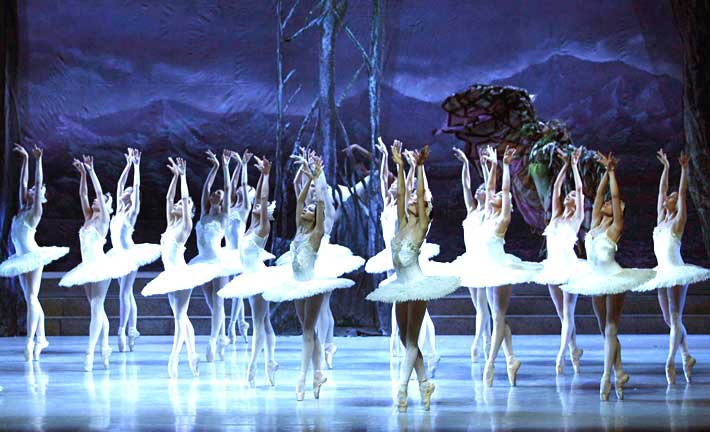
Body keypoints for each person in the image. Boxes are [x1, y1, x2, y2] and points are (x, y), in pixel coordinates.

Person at [366, 143, 460, 412]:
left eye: (414, 202)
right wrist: (398, 165)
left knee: (411, 342)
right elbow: (402, 193)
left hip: (417, 286)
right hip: (401, 286)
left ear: (423, 208)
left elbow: (417, 194)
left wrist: (418, 167)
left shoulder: (420, 226)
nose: (408, 201)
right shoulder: (403, 223)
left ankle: (402, 389)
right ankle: (425, 383)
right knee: (405, 339)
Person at [562, 152, 653, 401]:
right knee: (605, 331)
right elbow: (600, 195)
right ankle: (620, 371)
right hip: (595, 279)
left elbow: (612, 195)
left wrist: (612, 173)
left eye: (613, 204)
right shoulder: (594, 226)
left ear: (619, 210)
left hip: (614, 278)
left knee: (611, 328)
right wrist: (605, 172)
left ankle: (607, 377)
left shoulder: (615, 228)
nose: (607, 204)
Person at [263, 155, 355, 400]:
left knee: (307, 331)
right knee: (308, 331)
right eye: (305, 208)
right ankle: (318, 373)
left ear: (315, 217)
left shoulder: (316, 233)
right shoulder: (299, 231)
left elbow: (320, 205)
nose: (305, 209)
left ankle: (301, 377)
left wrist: (317, 179)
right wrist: (306, 179)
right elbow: (300, 201)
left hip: (311, 285)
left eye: (310, 210)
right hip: (296, 285)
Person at [277, 147, 364, 369]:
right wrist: (305, 167)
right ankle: (323, 346)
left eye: (318, 194)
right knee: (319, 309)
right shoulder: (305, 217)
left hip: (324, 257)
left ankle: (326, 347)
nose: (314, 197)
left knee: (324, 305)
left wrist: (318, 173)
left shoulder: (326, 215)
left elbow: (322, 192)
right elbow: (298, 187)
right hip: (305, 257)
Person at [634, 150, 709, 384]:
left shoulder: (678, 221)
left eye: (672, 197)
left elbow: (683, 193)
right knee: (668, 319)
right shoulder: (661, 220)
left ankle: (670, 361)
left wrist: (684, 170)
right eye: (669, 196)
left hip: (676, 272)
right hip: (661, 272)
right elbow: (661, 191)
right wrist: (666, 168)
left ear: (676, 204)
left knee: (675, 318)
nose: (668, 197)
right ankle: (687, 356)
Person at [365, 138, 440, 365]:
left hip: (409, 255)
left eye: (395, 185)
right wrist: (384, 157)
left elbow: (407, 190)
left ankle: (426, 347)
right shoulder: (388, 205)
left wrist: (412, 167)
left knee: (416, 305)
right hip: (391, 255)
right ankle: (397, 343)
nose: (391, 186)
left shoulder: (408, 208)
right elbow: (382, 179)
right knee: (396, 298)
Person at [472, 146, 541, 388]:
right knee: (497, 317)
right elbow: (491, 187)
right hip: (487, 269)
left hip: (501, 269)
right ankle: (511, 359)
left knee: (498, 317)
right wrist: (493, 165)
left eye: (498, 198)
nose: (493, 196)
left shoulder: (503, 219)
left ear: (504, 204)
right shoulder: (486, 215)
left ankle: (491, 363)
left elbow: (502, 190)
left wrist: (505, 166)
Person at [59, 155, 133, 371]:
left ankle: (90, 353)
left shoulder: (104, 220)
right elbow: (83, 194)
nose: (95, 200)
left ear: (107, 206)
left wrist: (91, 171)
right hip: (86, 268)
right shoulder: (88, 217)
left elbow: (98, 193)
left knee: (96, 308)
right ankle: (105, 346)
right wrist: (82, 174)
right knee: (97, 310)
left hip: (101, 266)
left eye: (101, 200)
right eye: (95, 200)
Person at [142, 157, 213, 378]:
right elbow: (169, 198)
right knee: (181, 316)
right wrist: (174, 177)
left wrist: (183, 176)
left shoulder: (186, 225)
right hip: (170, 275)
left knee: (179, 317)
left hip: (181, 275)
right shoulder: (170, 224)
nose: (178, 204)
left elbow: (181, 197)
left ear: (189, 212)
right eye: (180, 204)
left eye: (184, 205)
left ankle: (174, 358)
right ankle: (192, 354)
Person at [0, 143, 68, 361]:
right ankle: (42, 338)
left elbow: (37, 183)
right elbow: (23, 183)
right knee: (31, 298)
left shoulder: (35, 212)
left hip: (33, 256)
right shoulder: (23, 209)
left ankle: (30, 342)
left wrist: (38, 160)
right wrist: (26, 160)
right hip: (21, 258)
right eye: (30, 190)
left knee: (31, 297)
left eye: (34, 191)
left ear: (39, 196)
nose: (30, 190)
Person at [218, 157, 278, 387]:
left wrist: (266, 175)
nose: (257, 206)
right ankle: (270, 361)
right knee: (265, 322)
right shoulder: (250, 226)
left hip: (258, 278)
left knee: (258, 323)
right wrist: (261, 174)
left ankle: (253, 366)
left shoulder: (263, 227)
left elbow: (262, 197)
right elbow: (257, 197)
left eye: (261, 207)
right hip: (250, 276)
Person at [533, 148, 587, 375]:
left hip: (569, 267)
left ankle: (561, 355)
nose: (568, 196)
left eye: (572, 196)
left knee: (568, 314)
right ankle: (574, 349)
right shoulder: (556, 216)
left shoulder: (577, 218)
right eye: (569, 194)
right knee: (562, 314)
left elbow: (580, 189)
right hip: (552, 267)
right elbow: (556, 188)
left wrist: (574, 165)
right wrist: (564, 165)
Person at [190, 149, 240, 362]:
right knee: (210, 301)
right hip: (202, 262)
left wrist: (226, 166)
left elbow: (228, 188)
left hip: (218, 262)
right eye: (215, 193)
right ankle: (221, 336)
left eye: (220, 194)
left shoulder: (224, 216)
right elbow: (206, 188)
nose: (216, 194)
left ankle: (212, 341)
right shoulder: (203, 213)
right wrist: (215, 167)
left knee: (218, 303)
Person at [109, 148, 160, 352]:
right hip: (117, 255)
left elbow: (136, 188)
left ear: (131, 197)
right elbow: (120, 184)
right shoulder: (118, 210)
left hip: (129, 255)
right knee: (127, 294)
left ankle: (121, 331)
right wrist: (128, 164)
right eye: (124, 192)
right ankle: (133, 329)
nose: (124, 192)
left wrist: (137, 167)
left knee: (124, 293)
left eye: (127, 192)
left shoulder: (131, 212)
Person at [451, 147, 492, 363]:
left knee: (482, 307)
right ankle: (487, 339)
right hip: (470, 261)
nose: (479, 190)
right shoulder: (472, 211)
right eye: (479, 188)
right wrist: (466, 163)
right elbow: (466, 186)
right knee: (478, 307)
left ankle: (477, 344)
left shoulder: (488, 213)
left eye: (482, 189)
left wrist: (485, 166)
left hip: (483, 262)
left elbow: (491, 187)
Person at [226, 150, 255, 344]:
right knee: (236, 291)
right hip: (227, 253)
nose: (243, 189)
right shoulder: (230, 207)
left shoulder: (245, 209)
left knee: (237, 291)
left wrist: (244, 165)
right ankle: (243, 323)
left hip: (239, 254)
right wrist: (235, 165)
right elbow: (231, 186)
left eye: (248, 189)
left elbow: (243, 185)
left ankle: (231, 326)